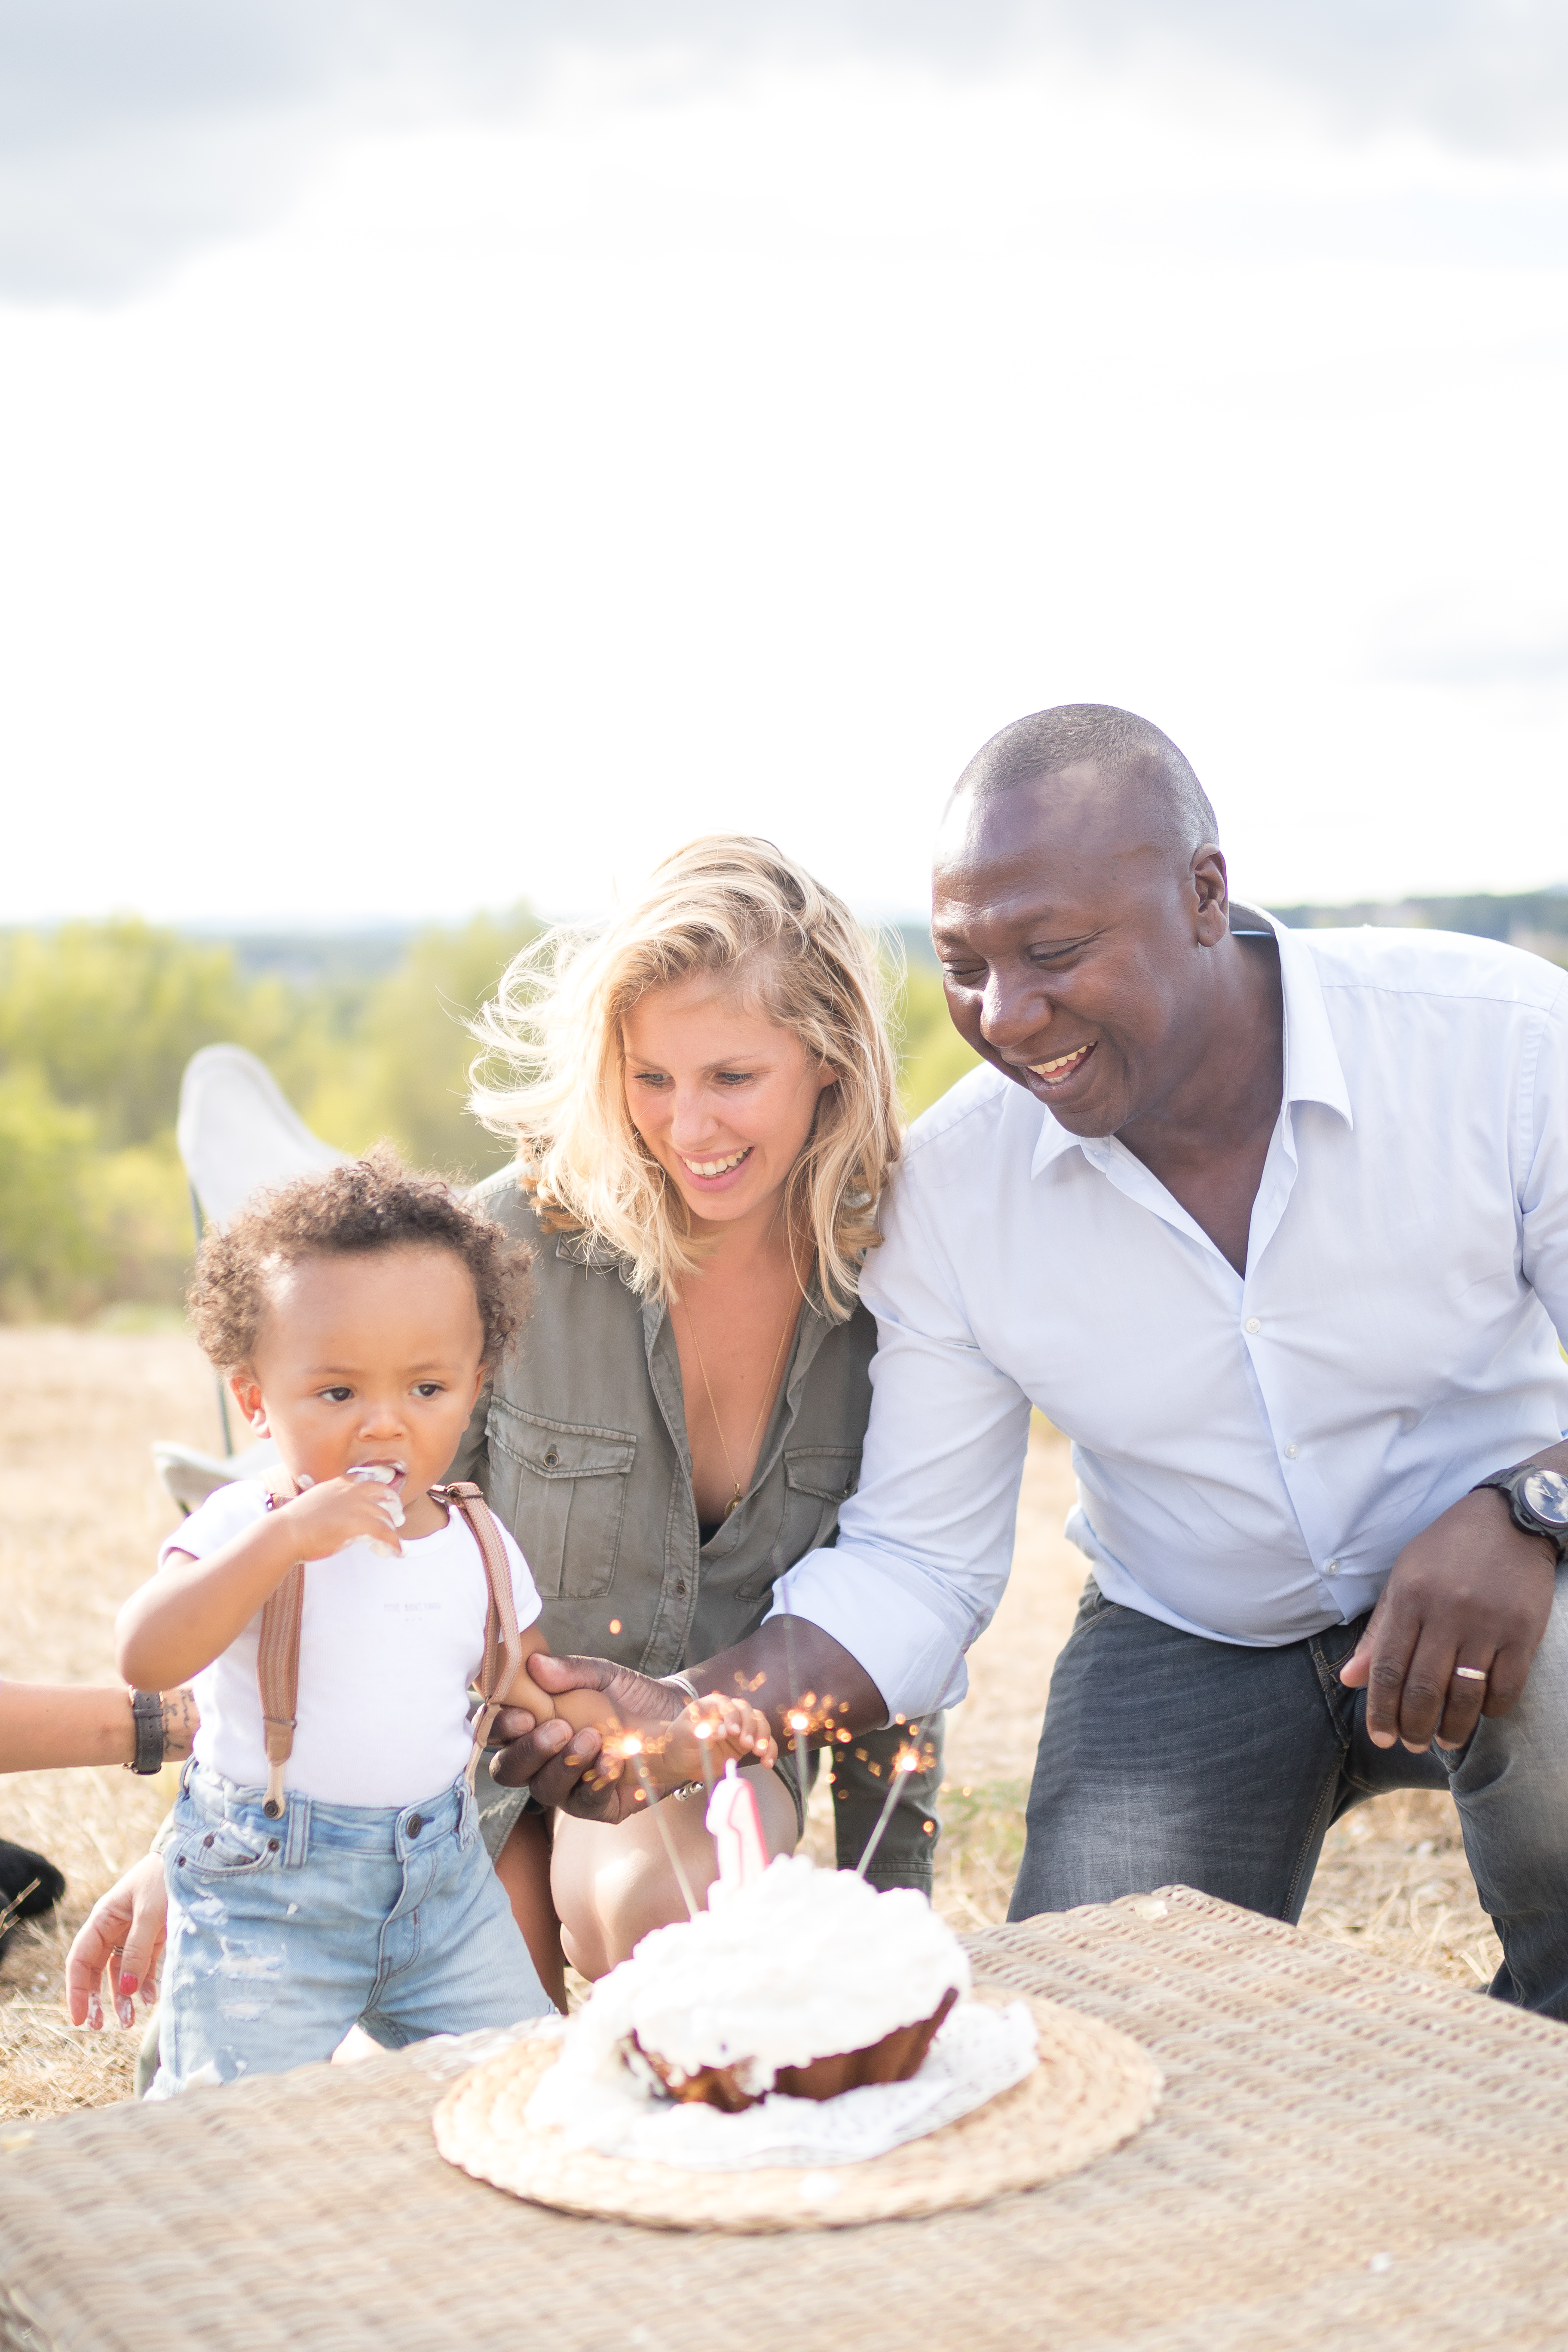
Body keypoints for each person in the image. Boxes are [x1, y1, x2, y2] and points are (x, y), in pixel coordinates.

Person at [489, 701, 1568, 2021]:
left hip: (1518, 1586)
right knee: (1089, 2027)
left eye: (1054, 952)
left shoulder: (1497, 1042)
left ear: (1205, 895)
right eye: (965, 967)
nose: (1005, 1015)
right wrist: (694, 1717)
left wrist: (1529, 1509)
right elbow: (919, 1562)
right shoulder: (955, 1191)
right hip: (1194, 1634)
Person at [72, 835, 927, 2037]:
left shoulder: (901, 1282)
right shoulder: (503, 1250)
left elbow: (900, 1603)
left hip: (695, 1748)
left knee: (676, 1920)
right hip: (450, 1755)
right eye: (650, 1078)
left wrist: (899, 1913)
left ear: (829, 1063)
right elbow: (325, 1546)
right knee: (476, 2065)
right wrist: (202, 1840)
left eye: (732, 1076)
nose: (688, 1126)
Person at [116, 1147, 770, 2094]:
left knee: (531, 2087)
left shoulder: (474, 1540)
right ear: (255, 1400)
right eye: (338, 1393)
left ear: (474, 1386)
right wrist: (282, 1543)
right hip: (269, 1896)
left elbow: (537, 1690)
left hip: (442, 1893)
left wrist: (677, 1732)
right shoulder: (249, 1524)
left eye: (426, 1389)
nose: (385, 1424)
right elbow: (146, 1652)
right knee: (231, 2121)